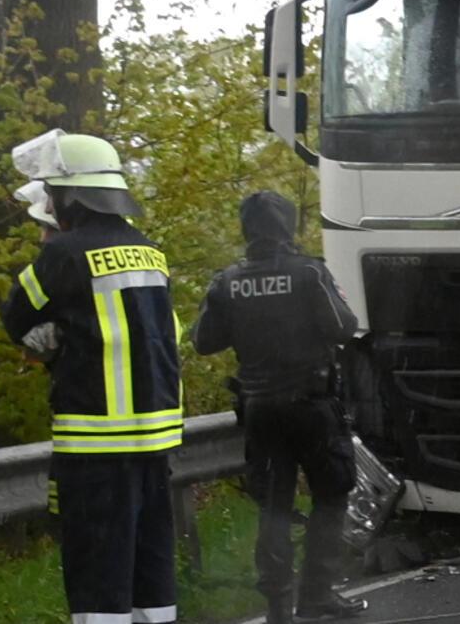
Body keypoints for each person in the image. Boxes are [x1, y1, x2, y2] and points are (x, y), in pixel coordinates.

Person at [0, 130, 182, 624]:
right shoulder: (150, 252)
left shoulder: (62, 255)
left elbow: (15, 317)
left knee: (97, 570)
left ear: (67, 195)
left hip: (94, 443)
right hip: (154, 439)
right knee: (152, 569)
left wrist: (56, 333)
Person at [194, 192, 366, 624]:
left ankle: (277, 610)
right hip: (313, 408)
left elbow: (203, 341)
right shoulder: (309, 272)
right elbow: (344, 327)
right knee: (331, 494)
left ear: (246, 229)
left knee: (273, 507)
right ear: (287, 227)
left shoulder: (227, 281)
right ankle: (316, 596)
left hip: (260, 411)